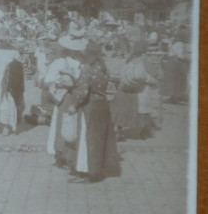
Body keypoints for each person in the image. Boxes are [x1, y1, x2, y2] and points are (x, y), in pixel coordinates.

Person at [69, 41, 120, 183]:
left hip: (89, 105)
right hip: (102, 104)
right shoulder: (103, 67)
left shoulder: (87, 68)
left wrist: (74, 104)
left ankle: (88, 172)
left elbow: (84, 91)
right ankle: (96, 169)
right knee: (99, 139)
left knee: (88, 139)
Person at [45, 34, 88, 174]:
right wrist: (62, 82)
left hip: (78, 97)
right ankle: (62, 156)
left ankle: (71, 157)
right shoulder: (60, 62)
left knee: (74, 127)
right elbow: (49, 80)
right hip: (66, 97)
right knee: (64, 125)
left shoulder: (82, 61)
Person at [111, 38, 158, 140]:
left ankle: (118, 132)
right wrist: (153, 80)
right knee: (142, 111)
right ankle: (142, 133)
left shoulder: (130, 60)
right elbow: (155, 74)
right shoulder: (144, 61)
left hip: (128, 90)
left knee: (123, 111)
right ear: (145, 50)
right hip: (141, 90)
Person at [0, 30, 19, 136]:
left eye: (4, 39)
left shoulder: (14, 51)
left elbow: (18, 68)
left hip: (7, 81)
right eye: (0, 39)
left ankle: (6, 125)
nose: (1, 41)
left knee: (6, 102)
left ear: (8, 39)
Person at [161, 37, 188, 104]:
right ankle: (175, 98)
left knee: (172, 81)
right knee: (177, 80)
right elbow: (180, 56)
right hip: (175, 62)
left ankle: (173, 97)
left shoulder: (175, 42)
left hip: (172, 62)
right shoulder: (180, 44)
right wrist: (186, 59)